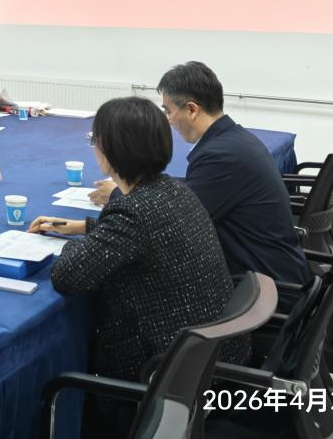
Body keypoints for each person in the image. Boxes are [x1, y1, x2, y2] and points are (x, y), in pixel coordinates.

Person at [30, 96, 242, 438]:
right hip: (212, 363)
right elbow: (147, 237)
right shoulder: (175, 189)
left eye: (94, 140)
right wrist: (89, 228)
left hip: (159, 374)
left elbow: (68, 275)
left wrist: (77, 243)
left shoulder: (133, 212)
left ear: (109, 151)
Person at [88, 62, 310, 291]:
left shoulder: (220, 156)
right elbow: (190, 191)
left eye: (168, 111)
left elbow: (174, 223)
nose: (168, 120)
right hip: (270, 272)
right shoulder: (233, 140)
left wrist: (120, 193)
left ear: (192, 110)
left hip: (263, 287)